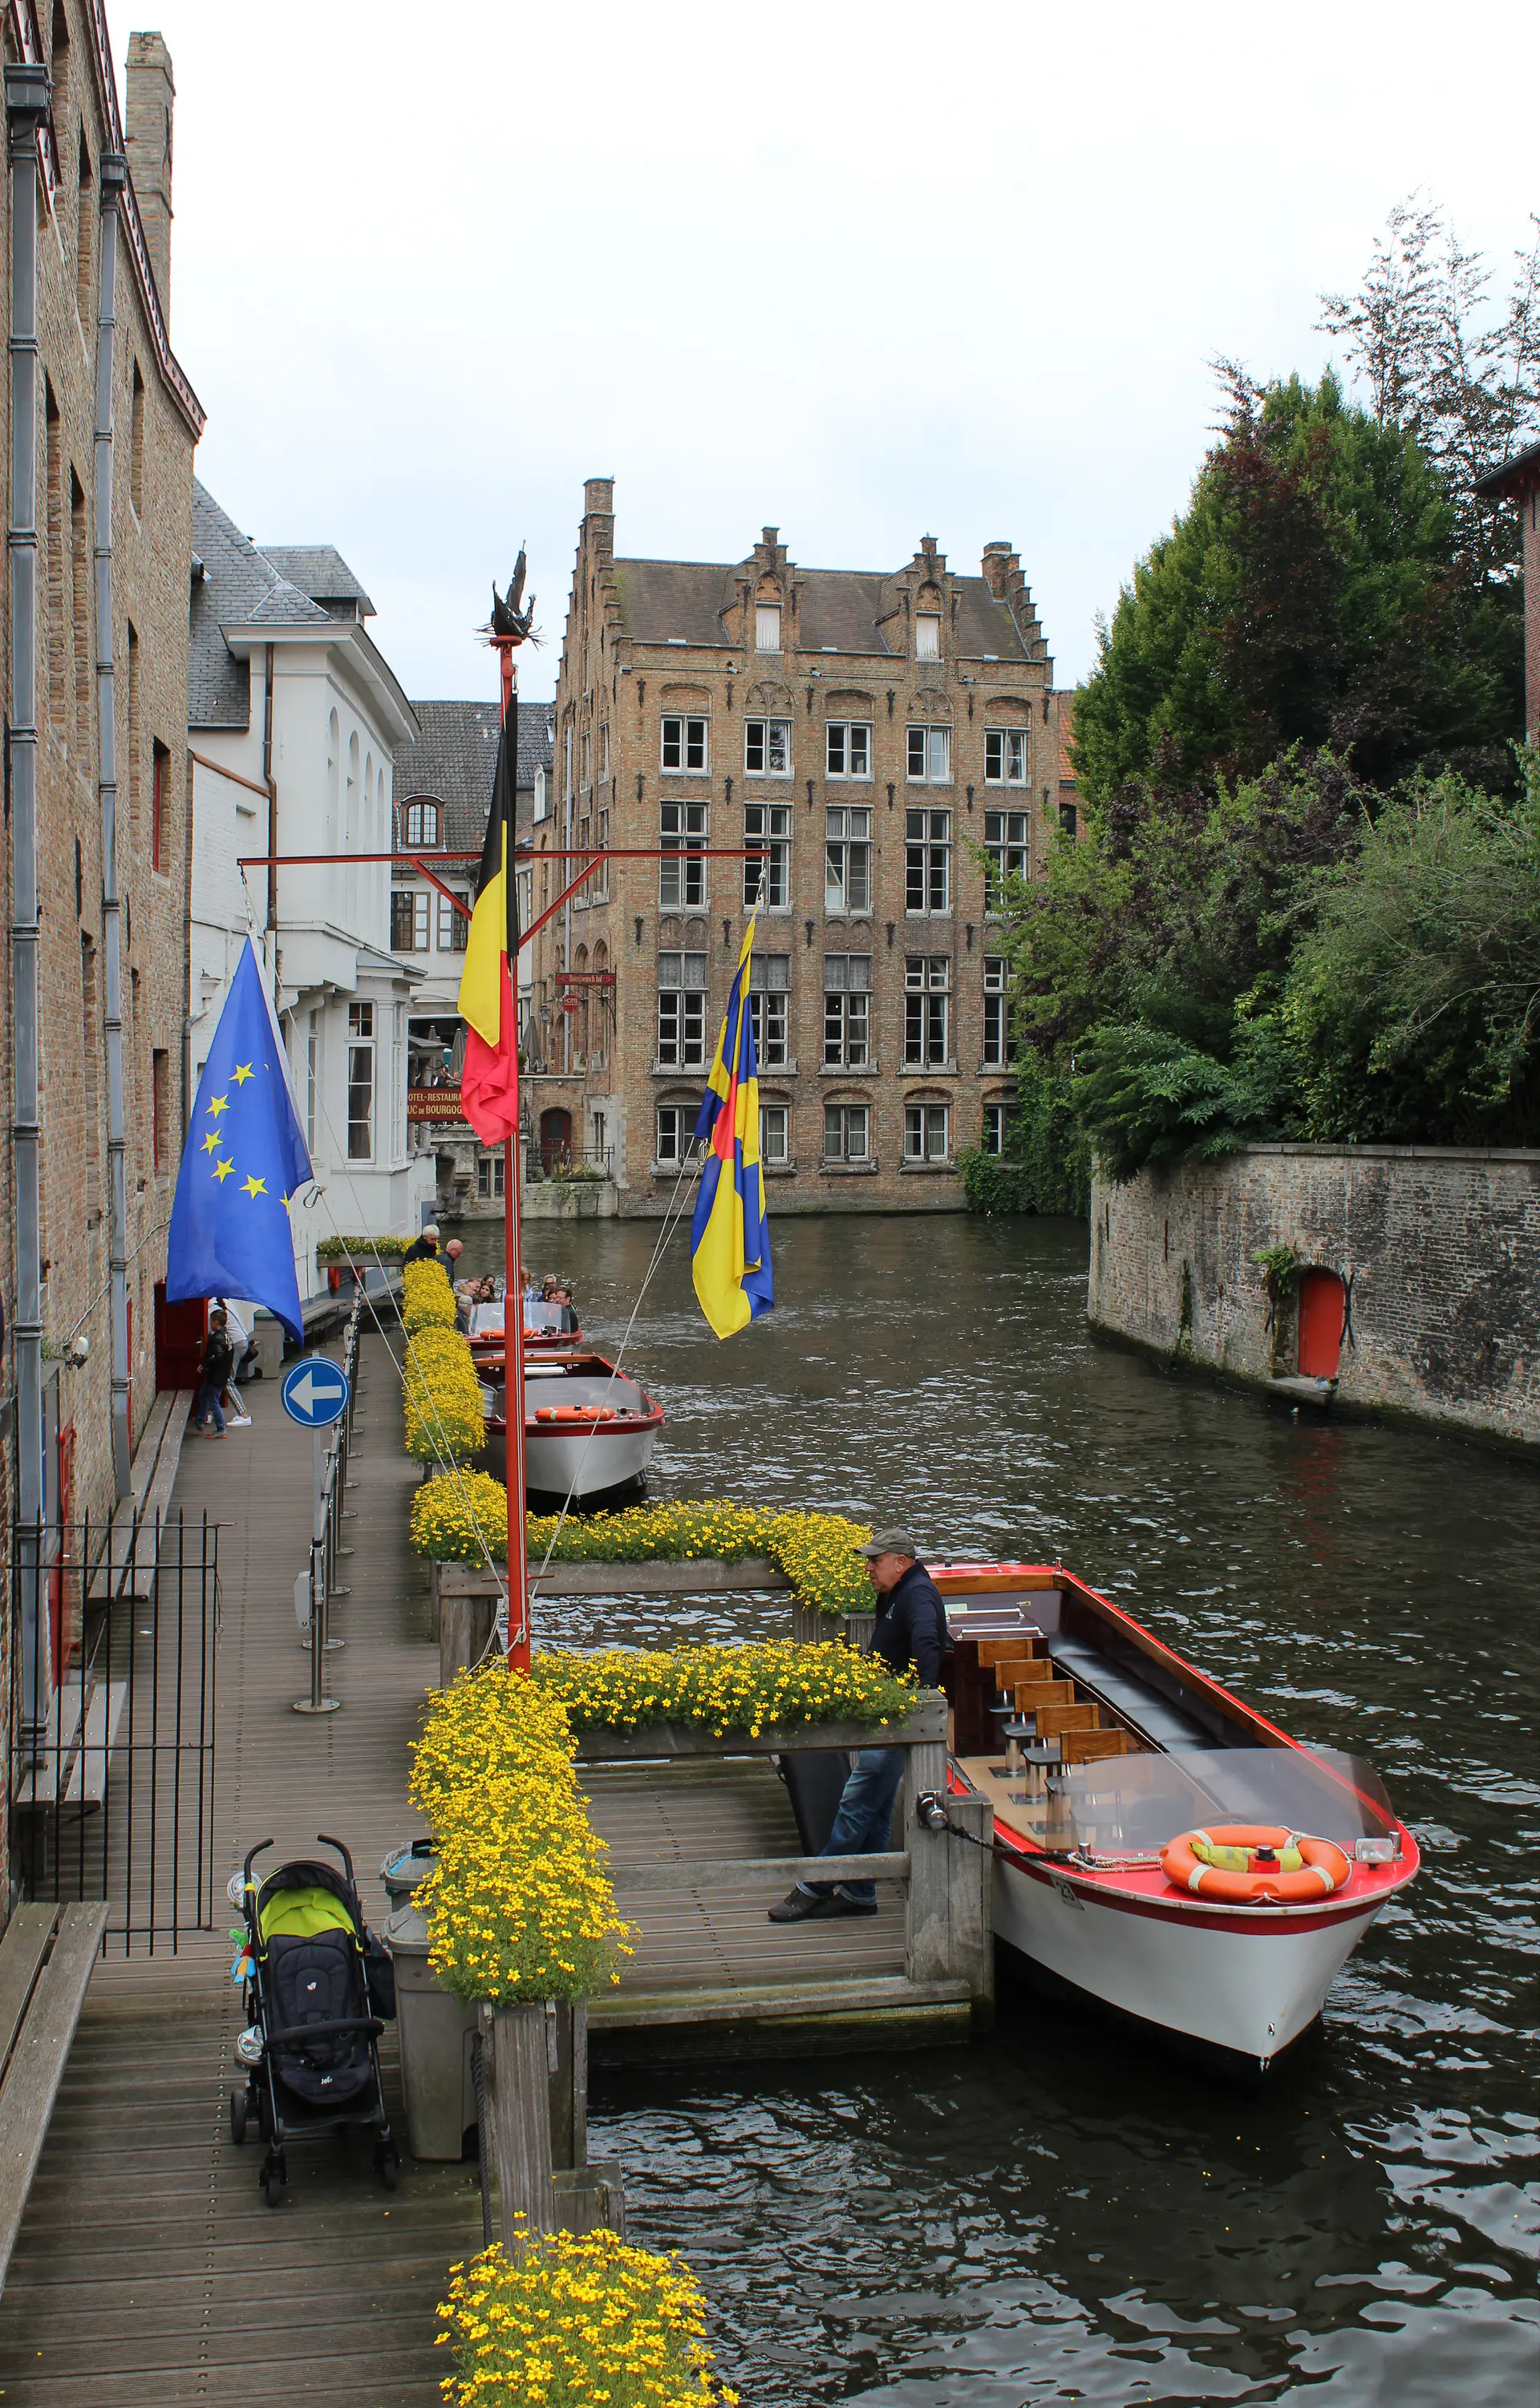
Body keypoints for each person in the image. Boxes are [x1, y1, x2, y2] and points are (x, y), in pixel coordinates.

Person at [768, 1533, 949, 1922]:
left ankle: (813, 1886)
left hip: (897, 1721)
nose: (868, 1568)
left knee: (856, 1805)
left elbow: (929, 1645)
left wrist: (921, 1701)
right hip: (889, 1719)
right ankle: (860, 1891)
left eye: (875, 1561)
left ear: (901, 1562)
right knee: (878, 1811)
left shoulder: (917, 1595)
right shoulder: (900, 1590)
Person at [193, 1309, 236, 1440]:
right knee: (204, 1393)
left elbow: (217, 1356)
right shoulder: (227, 1336)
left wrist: (205, 1364)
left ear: (215, 1323)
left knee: (213, 1401)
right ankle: (200, 1419)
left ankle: (221, 1428)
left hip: (216, 1376)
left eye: (211, 1321)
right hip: (221, 1374)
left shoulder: (217, 1338)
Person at [216, 1297, 253, 1427]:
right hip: (242, 1341)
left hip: (235, 1344)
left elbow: (211, 1330)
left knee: (227, 1381)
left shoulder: (212, 1307)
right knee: (226, 1380)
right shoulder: (226, 1302)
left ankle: (244, 1416)